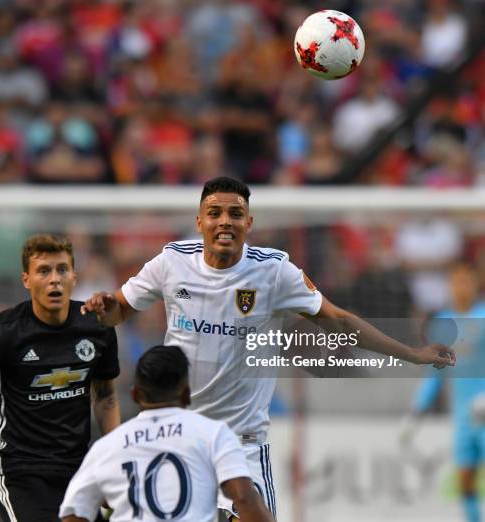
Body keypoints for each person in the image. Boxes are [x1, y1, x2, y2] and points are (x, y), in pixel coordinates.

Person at [82, 176, 456, 520]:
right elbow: (118, 311)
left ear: (249, 223)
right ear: (199, 222)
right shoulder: (172, 262)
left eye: (235, 213)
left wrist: (412, 353)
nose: (224, 221)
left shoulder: (274, 271)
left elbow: (339, 321)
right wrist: (103, 306)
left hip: (240, 443)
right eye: (214, 213)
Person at [0, 234, 121, 522]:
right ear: (26, 280)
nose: (54, 279)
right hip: (20, 471)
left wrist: (112, 457)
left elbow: (105, 396)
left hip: (77, 469)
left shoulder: (96, 327)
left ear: (74, 277)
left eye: (62, 270)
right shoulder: (4, 332)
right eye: (44, 271)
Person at [59, 345, 275, 522]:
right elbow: (245, 499)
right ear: (187, 394)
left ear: (135, 394)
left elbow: (74, 513)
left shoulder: (109, 446)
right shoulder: (213, 435)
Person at [402, 262, 485, 522]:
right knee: (465, 483)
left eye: (466, 281)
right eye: (456, 282)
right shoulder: (441, 324)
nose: (462, 287)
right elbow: (435, 374)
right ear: (450, 285)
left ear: (475, 284)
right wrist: (416, 409)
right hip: (462, 417)